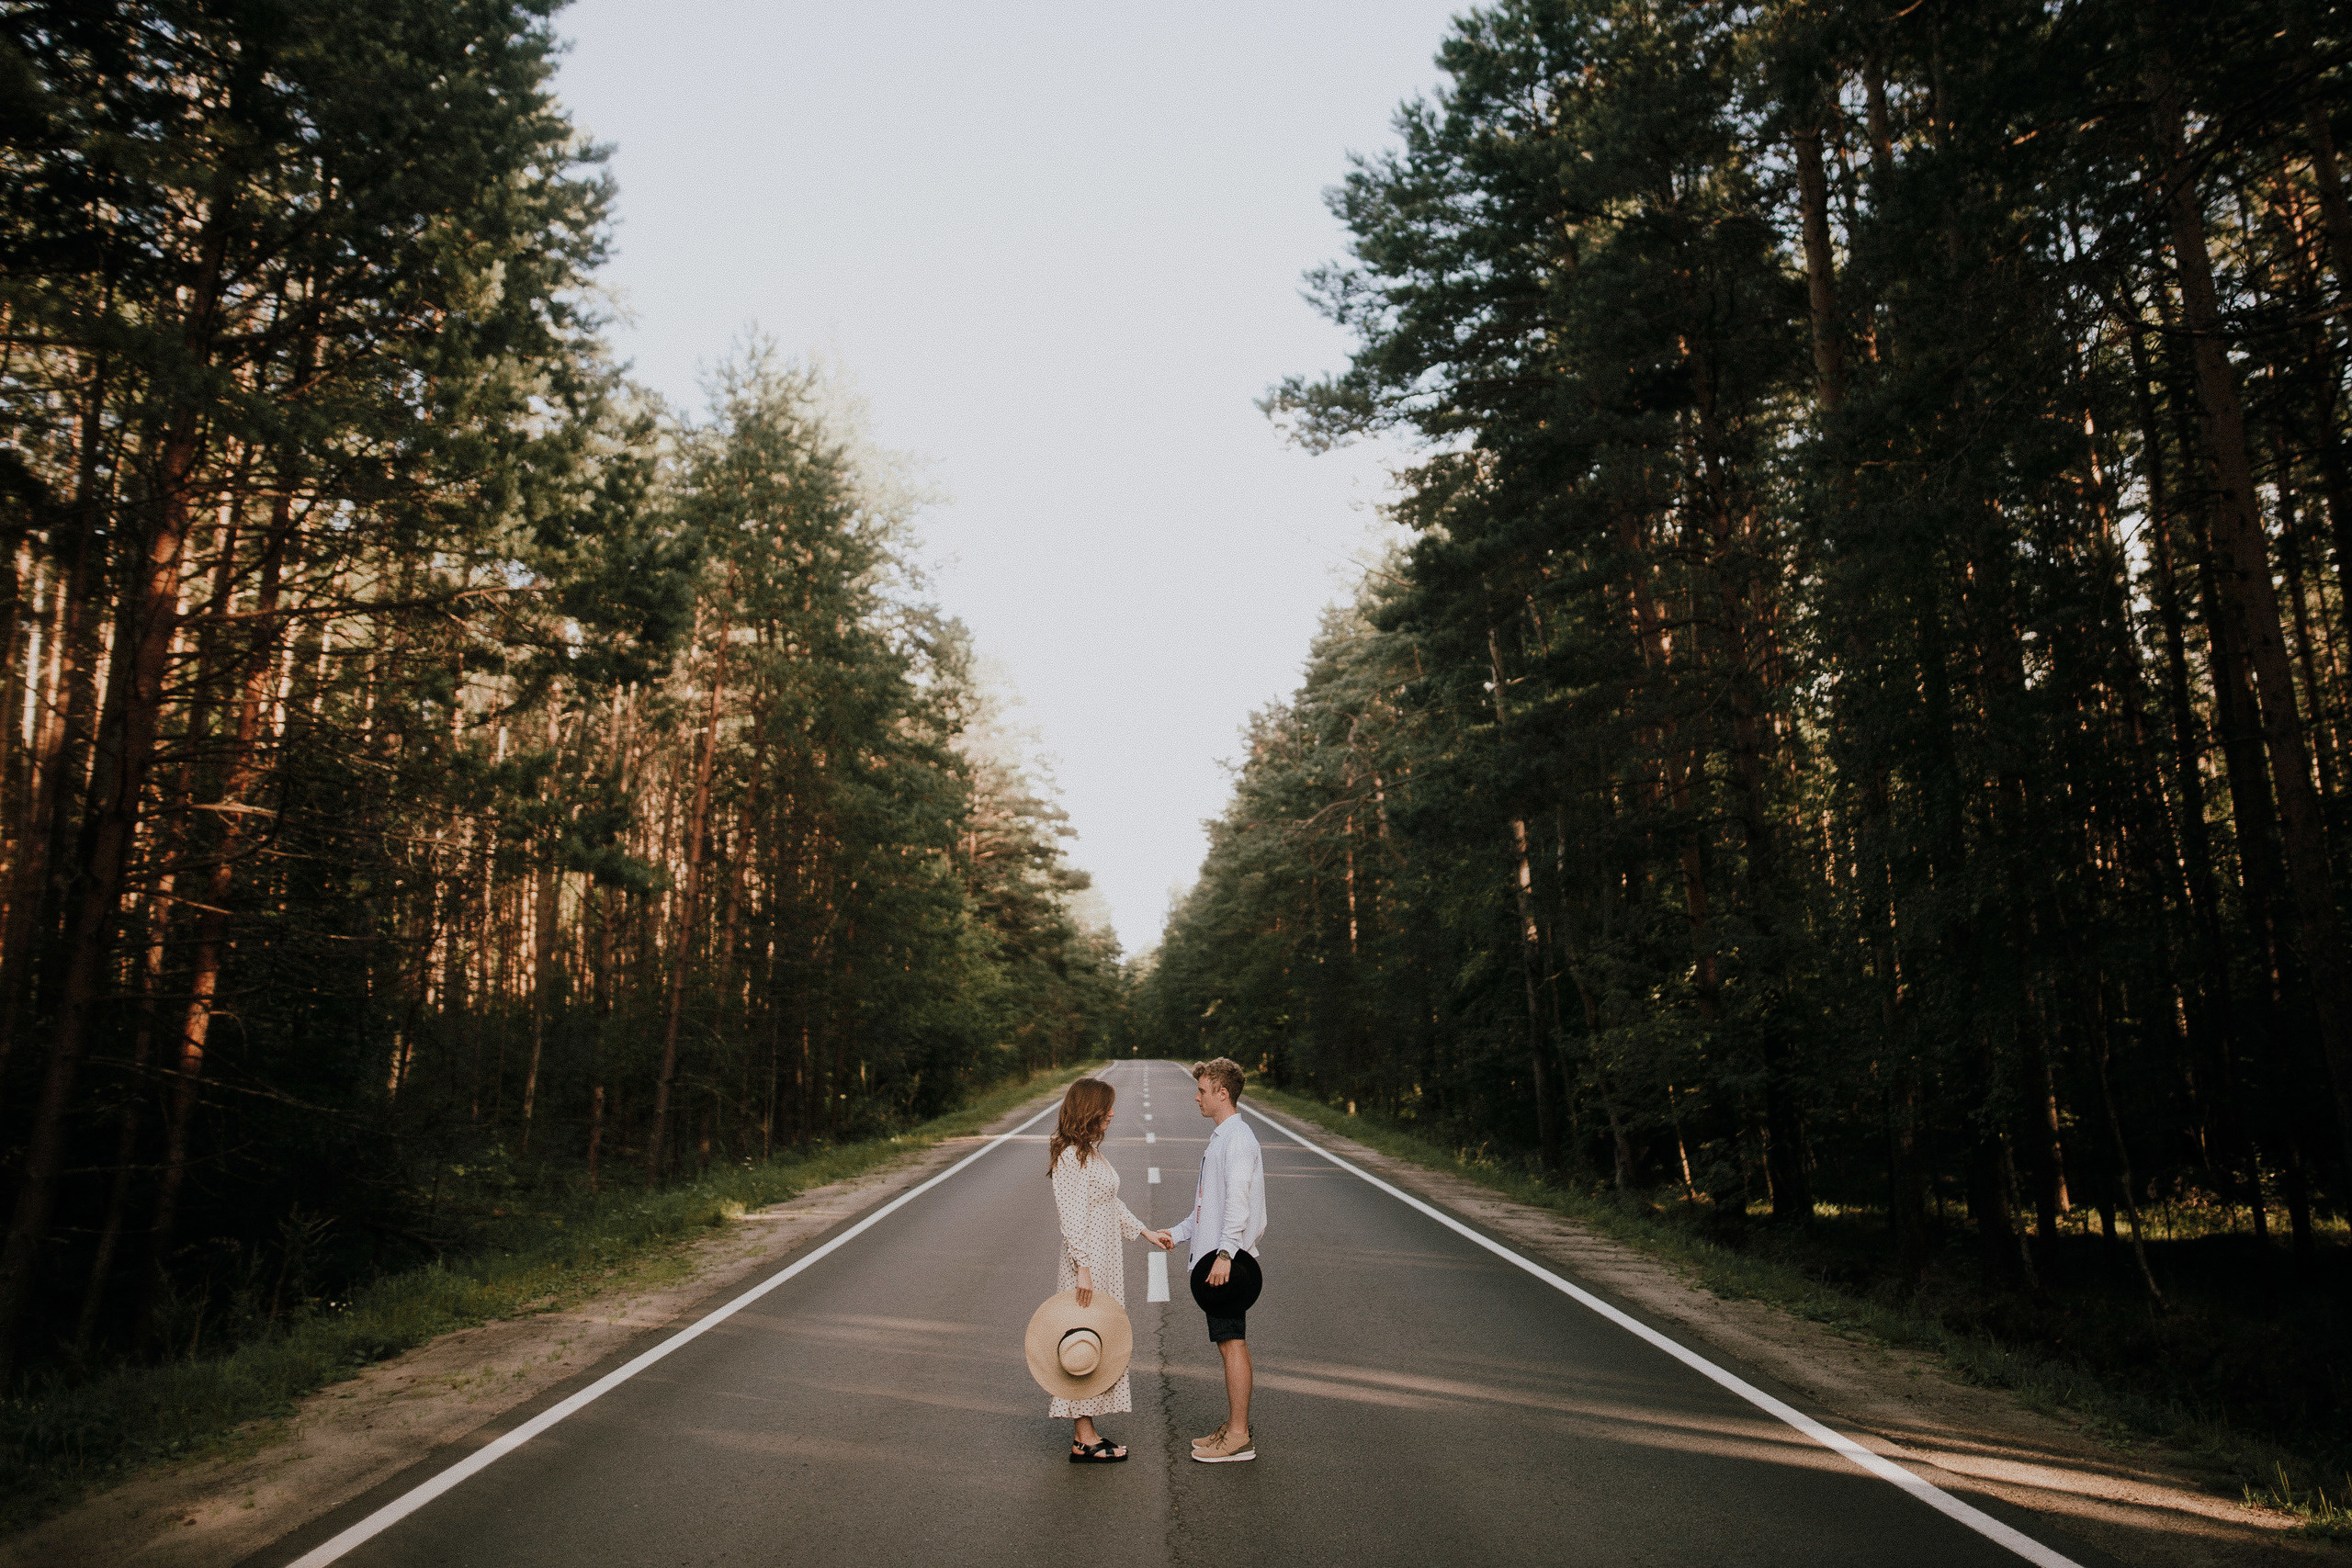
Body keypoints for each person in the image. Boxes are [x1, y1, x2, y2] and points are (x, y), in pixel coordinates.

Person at [1047, 1076, 1173, 1462]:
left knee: (1098, 1340)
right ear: (1090, 1110)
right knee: (1083, 1343)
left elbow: (1109, 1204)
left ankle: (1085, 1432)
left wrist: (1145, 1232)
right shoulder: (1070, 1156)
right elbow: (1071, 1218)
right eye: (1107, 1107)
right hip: (1088, 1264)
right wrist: (1083, 1268)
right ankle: (1084, 1438)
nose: (1113, 1114)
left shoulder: (1089, 1152)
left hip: (1106, 1261)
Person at [1168, 1056, 1265, 1464]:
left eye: (1203, 1091)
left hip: (1228, 1262)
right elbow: (1206, 1209)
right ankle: (1235, 1426)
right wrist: (1175, 1234)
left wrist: (1225, 1253)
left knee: (1232, 1342)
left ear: (1222, 1093)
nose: (1197, 1098)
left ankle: (1239, 1435)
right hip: (1218, 1258)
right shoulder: (1222, 1139)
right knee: (1229, 1342)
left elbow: (1238, 1204)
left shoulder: (1237, 1139)